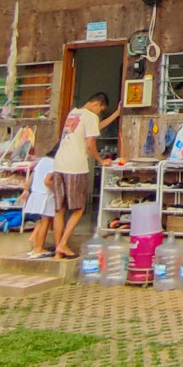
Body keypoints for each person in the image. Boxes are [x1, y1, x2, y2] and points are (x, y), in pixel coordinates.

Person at [51, 92, 121, 260]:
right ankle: (63, 243)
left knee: (59, 209)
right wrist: (100, 160)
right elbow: (90, 143)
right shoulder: (90, 116)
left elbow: (96, 127)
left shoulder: (74, 113)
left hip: (59, 164)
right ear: (97, 105)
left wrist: (116, 114)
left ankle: (58, 252)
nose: (99, 114)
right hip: (76, 166)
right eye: (101, 110)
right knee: (79, 208)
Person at [20, 142, 59, 258]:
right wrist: (57, 192)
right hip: (46, 194)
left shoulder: (43, 160)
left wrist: (26, 189)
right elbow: (47, 181)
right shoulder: (54, 163)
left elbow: (31, 177)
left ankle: (35, 243)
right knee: (46, 221)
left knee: (42, 221)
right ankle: (39, 248)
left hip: (36, 193)